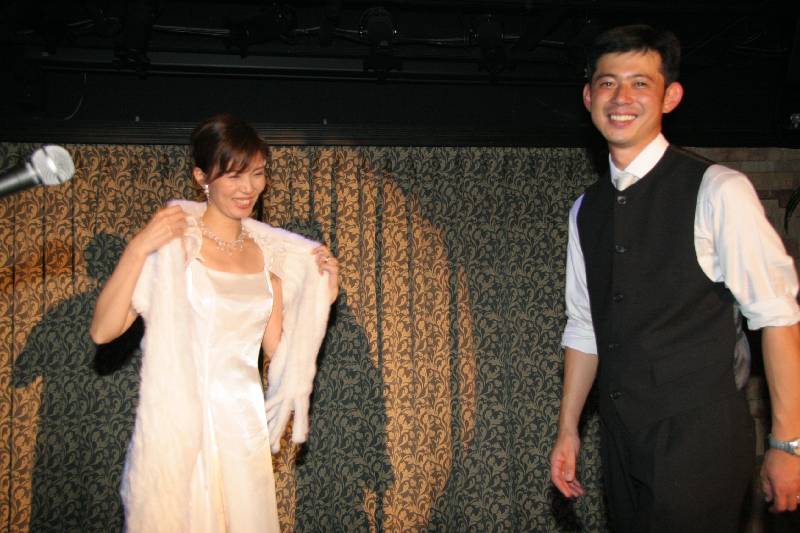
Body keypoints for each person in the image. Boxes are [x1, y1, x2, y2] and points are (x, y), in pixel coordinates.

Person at [549, 24, 800, 532]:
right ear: (588, 97)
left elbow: (776, 316)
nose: (622, 98)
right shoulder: (585, 210)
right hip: (621, 440)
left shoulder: (718, 189)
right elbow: (584, 327)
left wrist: (787, 443)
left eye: (640, 83)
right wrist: (568, 429)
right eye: (607, 83)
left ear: (671, 97)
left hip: (699, 438)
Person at [90, 114, 339, 533]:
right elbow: (103, 331)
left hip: (243, 426)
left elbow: (279, 354)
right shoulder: (176, 248)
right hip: (186, 423)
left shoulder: (269, 257)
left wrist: (321, 299)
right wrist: (137, 248)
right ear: (201, 177)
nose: (248, 188)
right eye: (234, 175)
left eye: (257, 173)